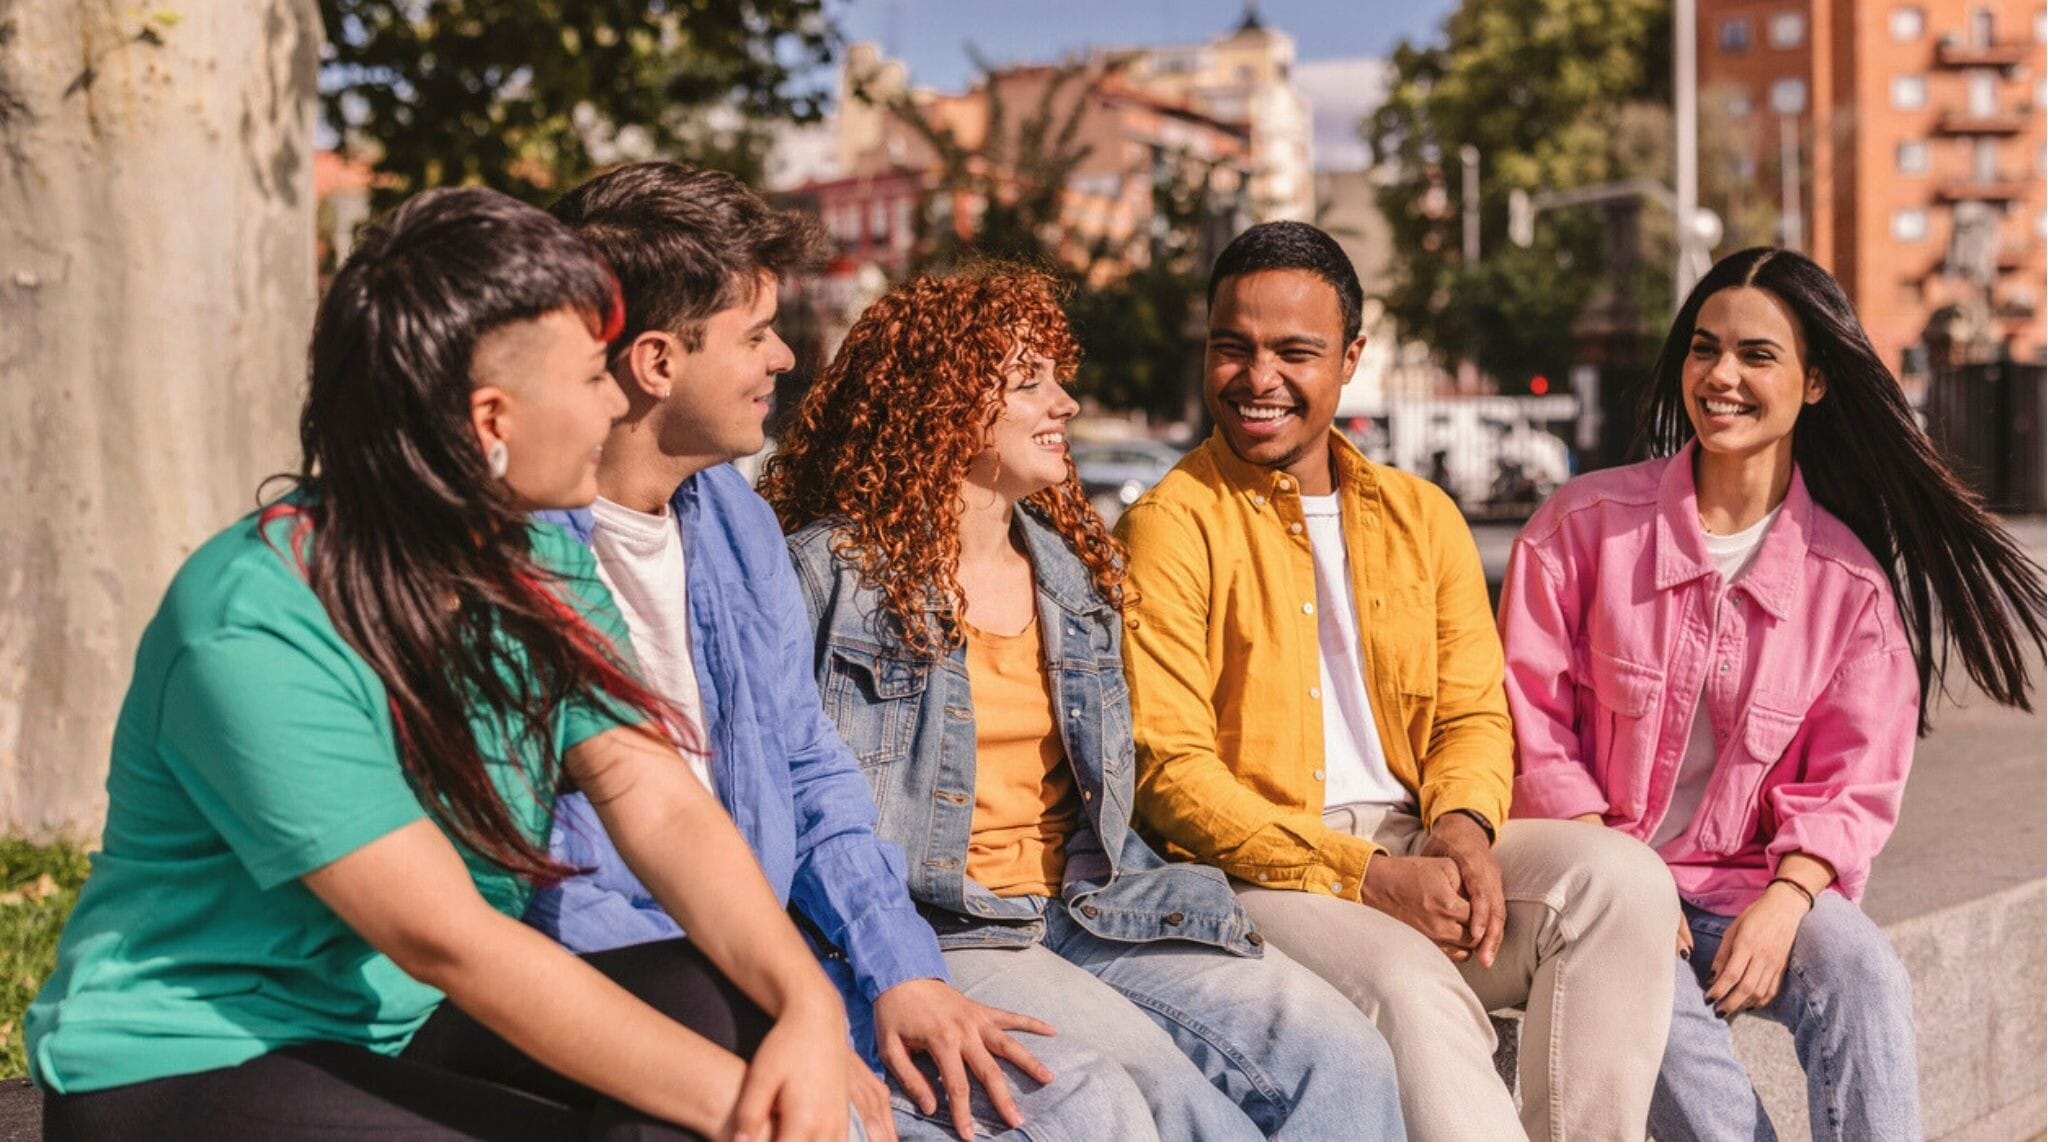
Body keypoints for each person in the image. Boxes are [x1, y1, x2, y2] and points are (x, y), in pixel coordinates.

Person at [26, 187, 853, 1141]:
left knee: (732, 1007)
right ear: (491, 420)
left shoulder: (535, 557)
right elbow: (446, 940)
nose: (613, 403)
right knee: (714, 1096)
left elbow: (655, 795)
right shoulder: (253, 622)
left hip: (401, 1024)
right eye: (593, 378)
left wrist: (808, 1006)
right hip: (196, 1061)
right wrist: (746, 1116)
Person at [522, 162, 1143, 1142]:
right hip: (629, 985)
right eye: (756, 333)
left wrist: (897, 967)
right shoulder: (519, 546)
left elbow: (811, 770)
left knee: (1081, 1098)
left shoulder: (728, 518)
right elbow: (554, 878)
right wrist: (789, 1012)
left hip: (776, 964)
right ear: (654, 360)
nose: (782, 358)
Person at [760, 264, 1407, 1141]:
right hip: (947, 927)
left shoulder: (1071, 572)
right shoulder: (828, 574)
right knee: (1179, 1110)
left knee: (1342, 1051)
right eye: (1030, 382)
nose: (1064, 403)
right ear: (942, 403)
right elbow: (783, 795)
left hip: (1092, 907)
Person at [1114, 220, 1679, 1142]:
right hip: (1260, 880)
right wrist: (1370, 878)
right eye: (1233, 348)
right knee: (1415, 994)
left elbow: (1468, 711)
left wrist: (1461, 829)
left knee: (1622, 883)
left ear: (1351, 359)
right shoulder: (1172, 526)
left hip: (1414, 835)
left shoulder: (1422, 516)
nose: (1259, 379)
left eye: (1294, 351)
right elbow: (1168, 775)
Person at [1497, 246, 2046, 1141]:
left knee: (1861, 970)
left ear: (1816, 381)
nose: (1722, 376)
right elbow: (1527, 723)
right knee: (1642, 995)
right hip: (1597, 886)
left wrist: (1790, 897)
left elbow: (1852, 784)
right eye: (1704, 349)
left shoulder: (1849, 589)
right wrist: (1624, 878)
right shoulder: (1584, 527)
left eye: (1757, 355)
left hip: (1747, 884)